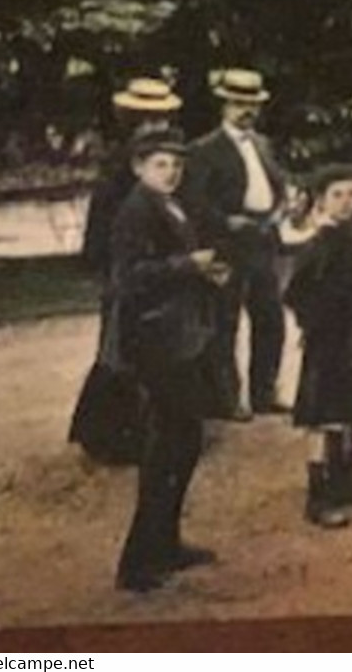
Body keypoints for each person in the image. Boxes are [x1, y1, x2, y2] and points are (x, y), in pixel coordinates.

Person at [109, 130, 229, 591]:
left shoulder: (167, 205)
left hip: (180, 337)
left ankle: (166, 543)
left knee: (184, 440)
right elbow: (130, 278)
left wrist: (205, 273)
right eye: (162, 164)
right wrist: (188, 266)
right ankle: (138, 562)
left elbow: (172, 266)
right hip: (155, 342)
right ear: (140, 167)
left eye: (177, 164)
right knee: (167, 447)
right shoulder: (135, 211)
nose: (172, 172)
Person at [70, 76, 184, 467]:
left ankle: (144, 431)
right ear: (131, 121)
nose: (156, 126)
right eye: (147, 120)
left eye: (161, 119)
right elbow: (102, 229)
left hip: (155, 271)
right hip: (127, 272)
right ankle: (106, 435)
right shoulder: (121, 169)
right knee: (119, 352)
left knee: (151, 352)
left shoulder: (166, 163)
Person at [181, 67, 289, 420]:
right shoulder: (204, 149)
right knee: (225, 323)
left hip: (263, 240)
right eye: (238, 103)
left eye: (252, 104)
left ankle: (264, 392)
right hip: (228, 243)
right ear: (223, 105)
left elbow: (278, 186)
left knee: (271, 317)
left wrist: (279, 211)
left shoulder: (263, 144)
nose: (247, 110)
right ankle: (227, 399)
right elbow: (195, 202)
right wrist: (227, 221)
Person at [285, 163, 352, 530]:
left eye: (351, 194)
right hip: (328, 340)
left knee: (351, 406)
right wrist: (318, 324)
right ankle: (317, 495)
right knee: (322, 414)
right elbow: (295, 292)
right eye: (337, 196)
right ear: (321, 201)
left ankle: (345, 482)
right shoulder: (320, 244)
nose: (345, 202)